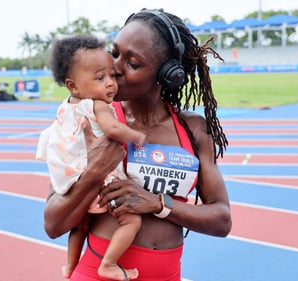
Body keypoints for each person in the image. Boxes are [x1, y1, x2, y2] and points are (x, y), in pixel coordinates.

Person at [43, 8, 232, 281]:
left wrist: (157, 204)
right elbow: (52, 223)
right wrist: (95, 171)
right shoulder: (90, 120)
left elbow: (221, 219)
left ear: (167, 75)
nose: (115, 69)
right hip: (98, 274)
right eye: (115, 53)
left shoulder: (194, 130)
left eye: (132, 63)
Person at [36, 35, 147, 280]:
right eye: (100, 78)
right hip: (103, 176)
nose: (110, 84)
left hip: (74, 175)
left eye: (111, 76)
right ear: (73, 85)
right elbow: (113, 130)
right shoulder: (97, 105)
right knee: (131, 221)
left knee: (80, 225)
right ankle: (109, 263)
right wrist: (137, 136)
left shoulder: (65, 106)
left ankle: (69, 266)